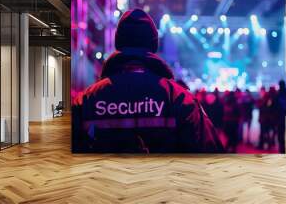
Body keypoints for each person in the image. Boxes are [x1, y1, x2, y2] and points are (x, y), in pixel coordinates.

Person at [72, 9, 223, 153]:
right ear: (153, 44)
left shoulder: (86, 100)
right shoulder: (180, 99)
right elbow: (211, 159)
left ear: (118, 43)